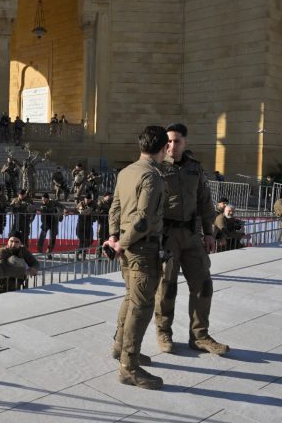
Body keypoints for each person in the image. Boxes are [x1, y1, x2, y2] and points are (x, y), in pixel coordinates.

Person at [155, 123, 228, 357]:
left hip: (191, 235)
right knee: (166, 286)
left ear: (185, 142)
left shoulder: (194, 168)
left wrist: (209, 232)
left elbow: (205, 202)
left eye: (177, 141)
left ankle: (199, 335)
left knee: (203, 283)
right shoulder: (156, 168)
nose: (172, 146)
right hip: (167, 237)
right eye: (168, 142)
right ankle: (163, 332)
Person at [106, 125, 168, 390]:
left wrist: (113, 237)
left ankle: (120, 347)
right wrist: (122, 243)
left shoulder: (127, 171)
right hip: (142, 249)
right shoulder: (152, 177)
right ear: (164, 148)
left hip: (126, 246)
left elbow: (115, 208)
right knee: (141, 307)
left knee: (130, 297)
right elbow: (143, 219)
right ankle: (129, 367)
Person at [37, 193, 64, 258]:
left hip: (54, 222)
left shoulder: (54, 202)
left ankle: (49, 252)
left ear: (47, 199)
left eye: (44, 200)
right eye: (42, 200)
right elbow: (37, 209)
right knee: (42, 237)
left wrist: (61, 211)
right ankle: (40, 250)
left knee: (52, 238)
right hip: (45, 222)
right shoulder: (41, 204)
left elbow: (62, 206)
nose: (43, 201)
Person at [75, 192, 96, 260]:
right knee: (82, 240)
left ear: (90, 200)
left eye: (88, 200)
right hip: (81, 224)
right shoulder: (81, 203)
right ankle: (80, 254)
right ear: (84, 199)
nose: (87, 201)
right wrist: (83, 211)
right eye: (86, 199)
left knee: (90, 240)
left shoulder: (93, 204)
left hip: (89, 224)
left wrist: (90, 212)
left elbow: (97, 210)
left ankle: (81, 251)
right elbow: (79, 209)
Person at [95, 192, 113, 256]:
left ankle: (106, 253)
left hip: (108, 222)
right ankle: (98, 253)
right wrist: (99, 219)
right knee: (100, 238)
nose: (110, 197)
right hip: (102, 222)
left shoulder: (111, 202)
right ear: (105, 196)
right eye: (109, 196)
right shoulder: (100, 203)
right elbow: (97, 212)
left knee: (107, 237)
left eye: (111, 196)